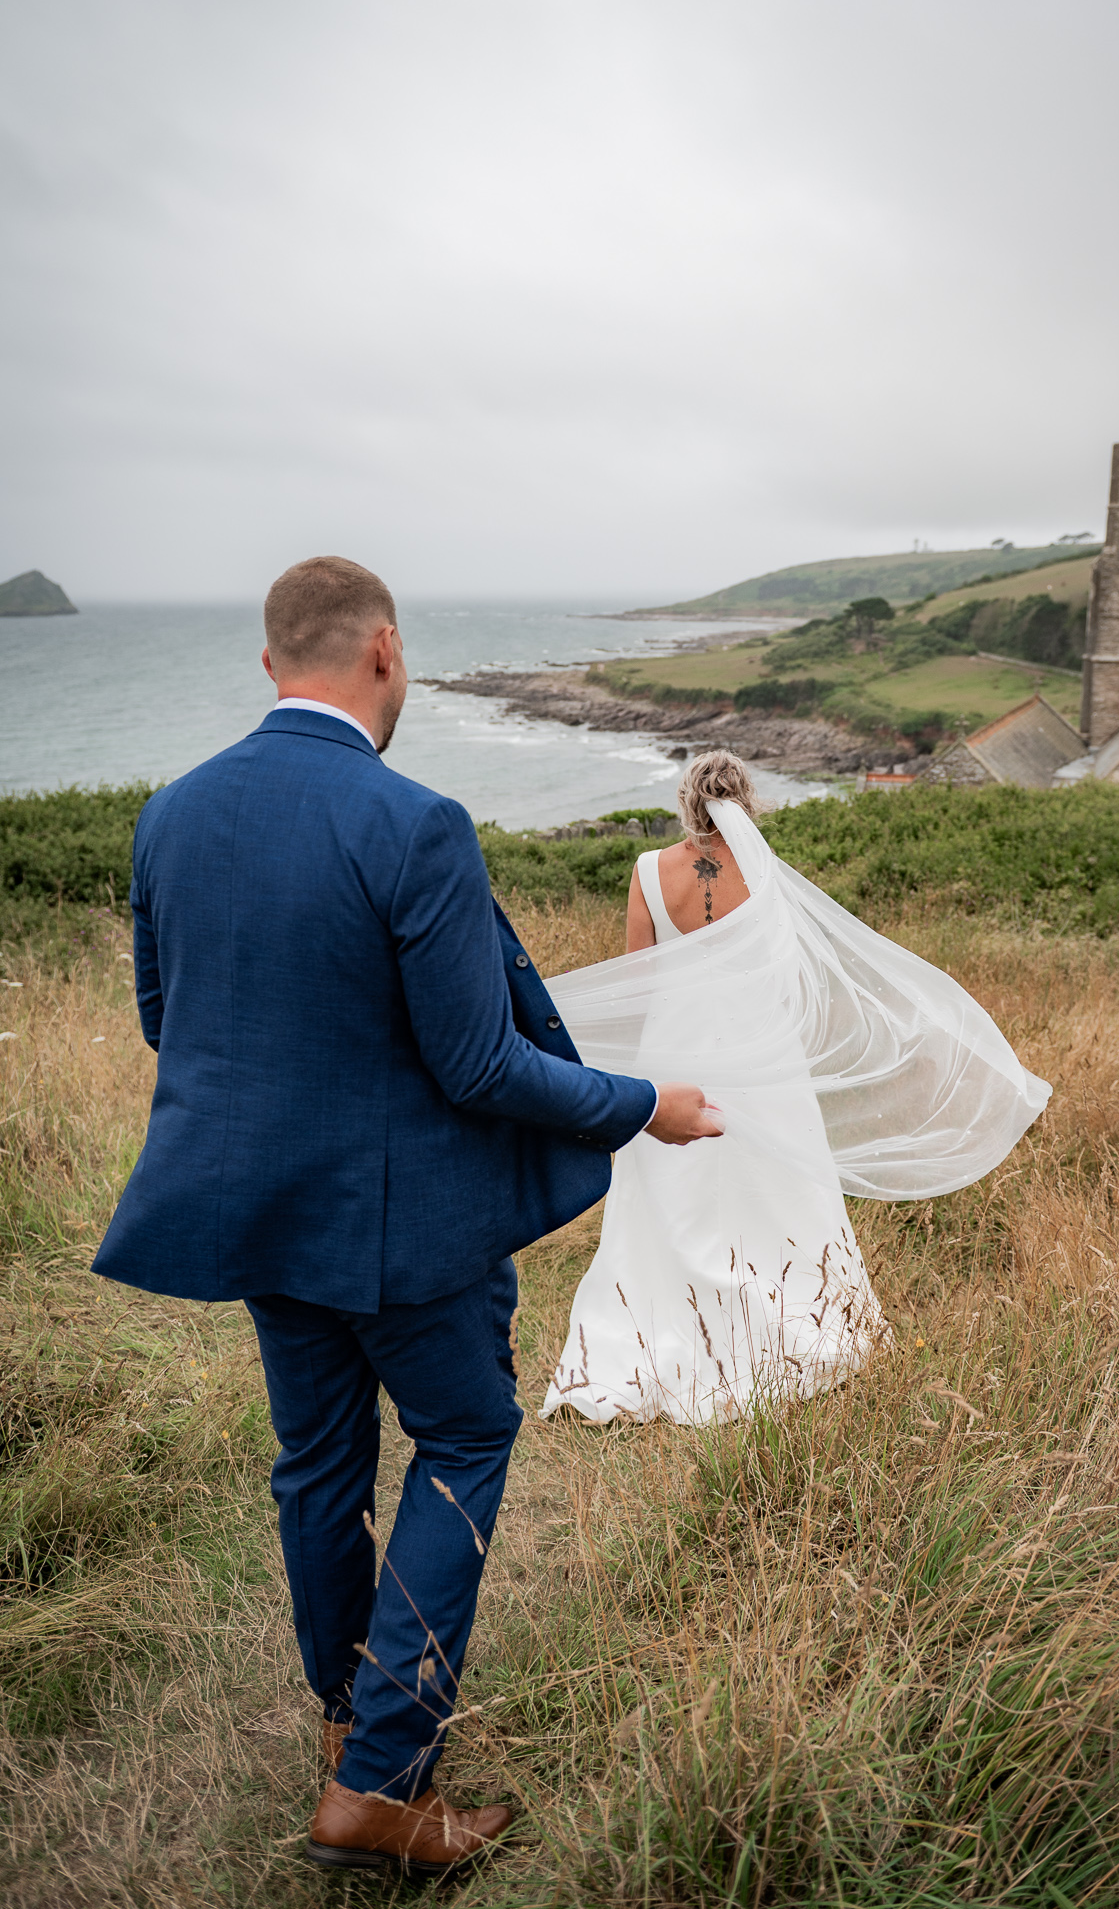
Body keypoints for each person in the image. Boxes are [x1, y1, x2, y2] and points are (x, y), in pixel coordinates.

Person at [91, 557, 720, 1879]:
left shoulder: (169, 816)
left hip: (255, 1212)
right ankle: (379, 1783)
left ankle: (345, 1731)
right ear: (383, 651)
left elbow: (169, 1022)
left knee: (316, 1466)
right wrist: (640, 1102)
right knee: (463, 1436)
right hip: (401, 1231)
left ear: (272, 665)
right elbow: (479, 1067)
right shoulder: (415, 823)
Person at [541, 751, 1051, 1425]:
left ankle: (652, 1333)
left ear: (686, 803)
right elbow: (789, 982)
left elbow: (639, 983)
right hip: (760, 1055)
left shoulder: (647, 873)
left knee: (670, 1192)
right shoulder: (766, 878)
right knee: (774, 1192)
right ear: (746, 803)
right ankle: (790, 1319)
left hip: (673, 1055)